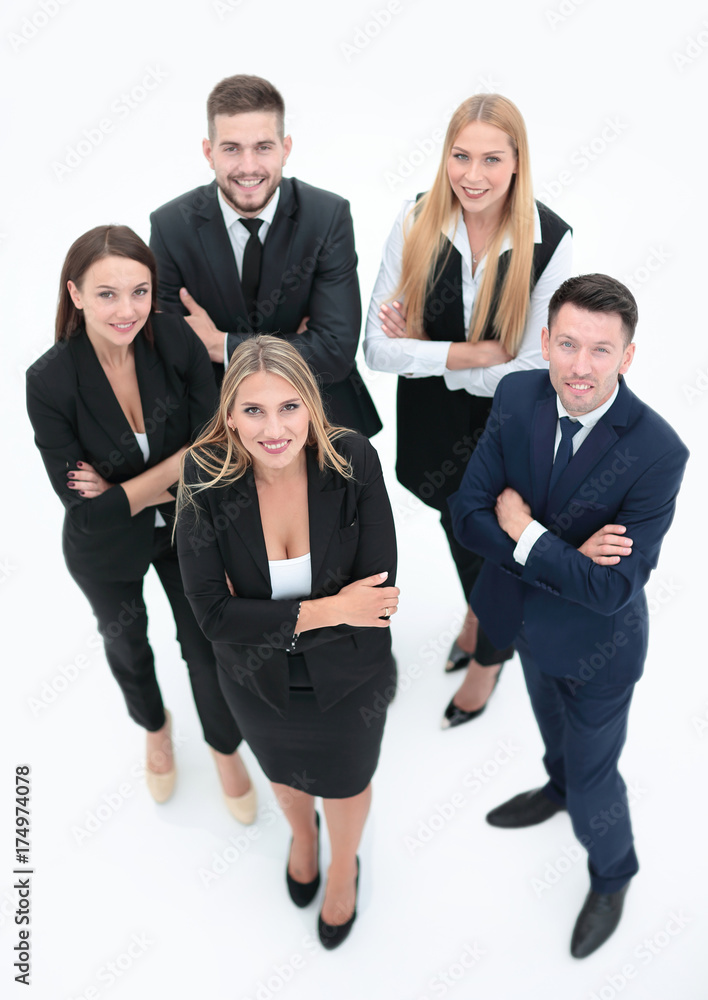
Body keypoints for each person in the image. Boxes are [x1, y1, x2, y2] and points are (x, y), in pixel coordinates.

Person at [448, 274, 689, 958]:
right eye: (568, 344)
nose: (580, 366)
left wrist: (525, 532)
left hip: (598, 652)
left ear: (627, 357)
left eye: (601, 350)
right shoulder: (517, 395)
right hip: (525, 627)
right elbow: (466, 515)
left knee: (595, 780)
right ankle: (556, 787)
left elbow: (611, 591)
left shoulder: (658, 453)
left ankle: (613, 873)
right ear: (547, 340)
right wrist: (564, 555)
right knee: (554, 740)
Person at [175, 334, 398, 949]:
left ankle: (344, 865)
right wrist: (334, 607)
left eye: (289, 407)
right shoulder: (204, 475)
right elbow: (212, 616)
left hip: (350, 677)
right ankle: (303, 837)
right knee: (286, 778)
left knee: (347, 782)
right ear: (229, 416)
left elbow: (377, 600)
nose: (274, 429)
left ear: (312, 405)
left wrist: (262, 614)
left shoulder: (353, 459)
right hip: (257, 682)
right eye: (254, 410)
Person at [26, 225, 256, 819]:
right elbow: (90, 512)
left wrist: (124, 490)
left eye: (139, 291)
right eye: (107, 294)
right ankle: (155, 728)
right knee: (127, 646)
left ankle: (224, 746)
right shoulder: (49, 381)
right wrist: (177, 465)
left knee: (206, 645)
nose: (126, 310)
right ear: (75, 294)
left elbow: (217, 450)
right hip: (105, 552)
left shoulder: (174, 339)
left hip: (187, 530)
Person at [364, 93, 572, 727]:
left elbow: (531, 371)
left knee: (497, 543)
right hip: (432, 428)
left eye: (491, 159)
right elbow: (377, 349)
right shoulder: (416, 220)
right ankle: (480, 615)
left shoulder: (550, 239)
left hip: (509, 431)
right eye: (460, 156)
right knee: (457, 527)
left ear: (517, 162)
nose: (472, 175)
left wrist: (428, 352)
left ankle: (489, 656)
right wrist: (470, 353)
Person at [150, 73, 381, 437]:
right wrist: (295, 343)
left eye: (263, 147)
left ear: (285, 148)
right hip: (215, 422)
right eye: (231, 148)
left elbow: (335, 351)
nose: (248, 166)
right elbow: (170, 356)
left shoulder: (327, 216)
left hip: (319, 420)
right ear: (209, 153)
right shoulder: (171, 226)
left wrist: (222, 345)